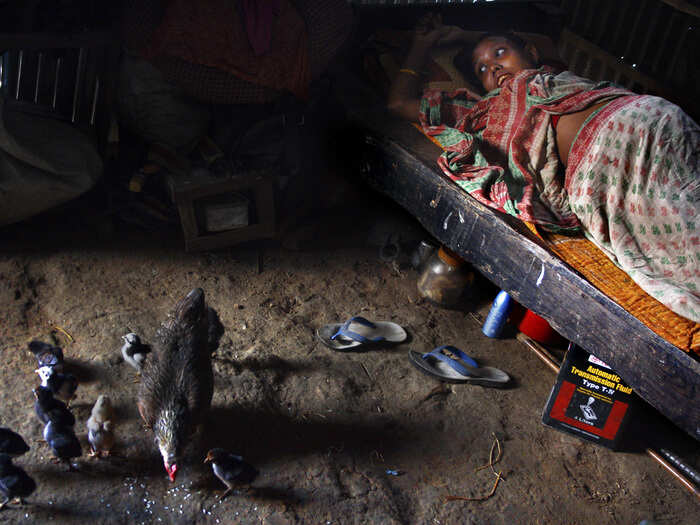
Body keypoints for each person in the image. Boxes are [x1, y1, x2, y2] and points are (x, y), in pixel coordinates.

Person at [387, 15, 700, 322]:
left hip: (656, 124)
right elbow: (399, 104)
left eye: (500, 53)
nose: (494, 67)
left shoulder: (551, 72)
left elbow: (543, 40)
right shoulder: (482, 111)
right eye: (482, 68)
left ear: (530, 54)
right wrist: (422, 44)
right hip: (607, 171)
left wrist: (463, 34)